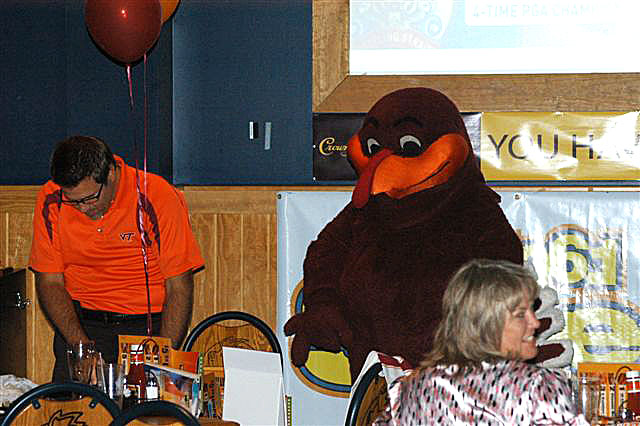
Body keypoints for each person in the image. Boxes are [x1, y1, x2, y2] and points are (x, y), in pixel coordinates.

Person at [29, 135, 205, 382]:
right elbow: (49, 282)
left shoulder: (156, 194)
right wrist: (82, 347)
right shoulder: (51, 199)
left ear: (111, 173)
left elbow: (179, 285)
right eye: (74, 201)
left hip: (147, 326)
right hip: (82, 325)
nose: (83, 208)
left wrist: (163, 355)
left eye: (90, 198)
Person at [374, 259, 588, 425]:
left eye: (532, 309)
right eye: (521, 314)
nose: (535, 322)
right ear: (486, 324)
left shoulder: (410, 389)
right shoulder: (537, 387)